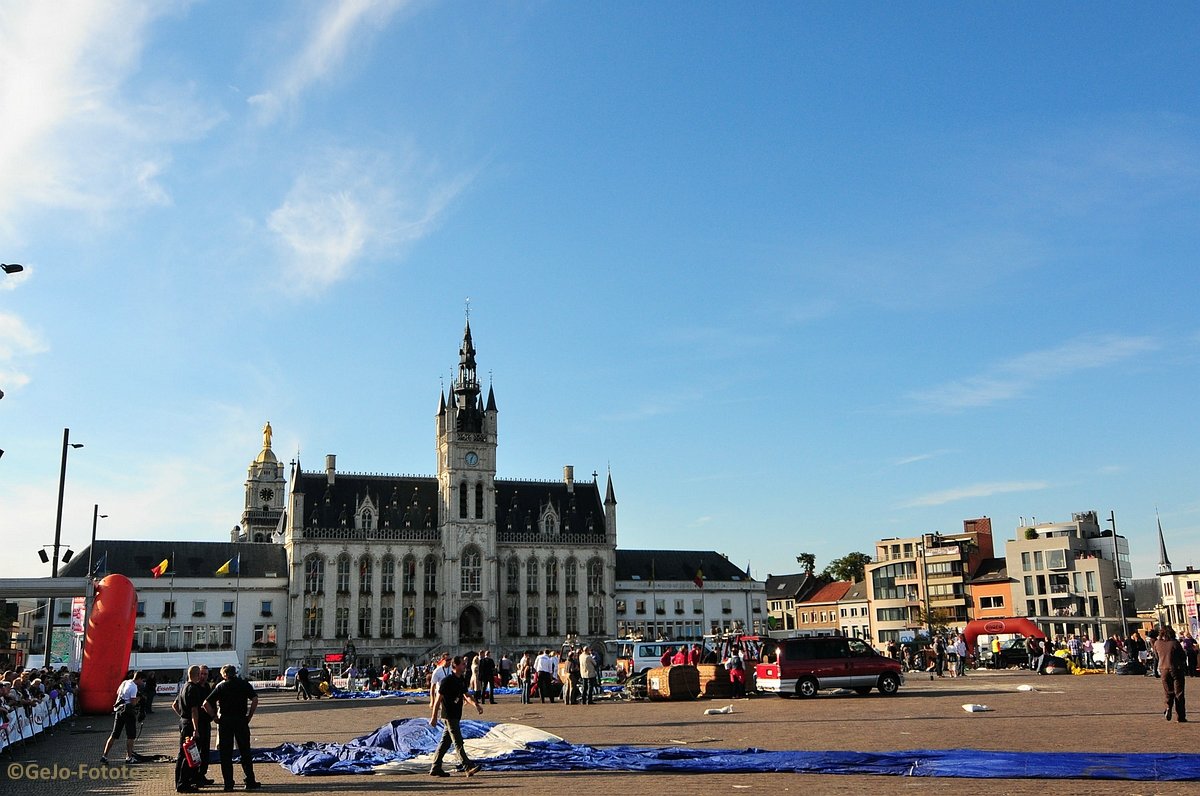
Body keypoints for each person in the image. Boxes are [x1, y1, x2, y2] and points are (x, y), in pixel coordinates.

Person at [204, 664, 261, 791]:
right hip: (241, 720)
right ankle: (250, 780)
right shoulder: (243, 684)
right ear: (235, 673)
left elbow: (206, 703)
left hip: (225, 721)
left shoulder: (222, 686)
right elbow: (255, 699)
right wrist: (249, 715)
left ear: (224, 674)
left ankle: (228, 783)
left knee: (226, 754)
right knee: (245, 751)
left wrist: (214, 717)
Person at [428, 656, 483, 778]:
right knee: (458, 741)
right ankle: (468, 767)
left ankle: (435, 767)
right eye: (463, 664)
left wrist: (476, 705)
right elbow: (438, 699)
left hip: (456, 715)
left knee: (445, 743)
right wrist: (434, 717)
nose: (465, 666)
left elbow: (467, 695)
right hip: (448, 715)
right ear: (456, 666)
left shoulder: (461, 679)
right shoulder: (447, 681)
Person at [174, 665, 209, 793]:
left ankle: (179, 781)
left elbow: (174, 704)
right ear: (198, 674)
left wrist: (182, 716)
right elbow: (195, 710)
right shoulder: (193, 688)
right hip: (189, 724)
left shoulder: (183, 687)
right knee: (189, 753)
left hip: (183, 722)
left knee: (181, 753)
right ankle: (184, 783)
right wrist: (195, 727)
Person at [101, 671, 145, 764]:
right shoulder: (134, 687)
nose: (143, 682)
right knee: (131, 735)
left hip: (119, 710)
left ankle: (104, 756)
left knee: (114, 734)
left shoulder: (125, 682)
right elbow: (133, 703)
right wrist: (139, 698)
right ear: (139, 678)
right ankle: (129, 757)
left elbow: (118, 693)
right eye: (142, 680)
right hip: (128, 712)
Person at [1154, 625, 1187, 722]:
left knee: (1168, 692)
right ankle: (1180, 717)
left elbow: (1156, 657)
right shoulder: (1174, 643)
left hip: (1163, 669)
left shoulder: (1157, 643)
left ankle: (1168, 707)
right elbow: (1183, 656)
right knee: (1179, 693)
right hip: (1176, 669)